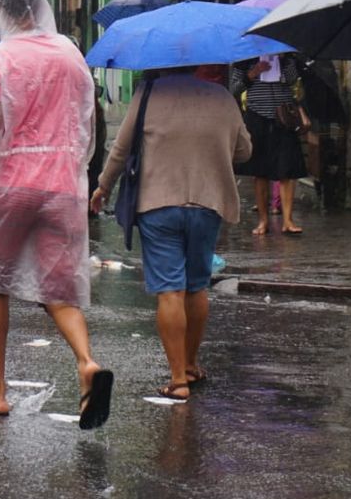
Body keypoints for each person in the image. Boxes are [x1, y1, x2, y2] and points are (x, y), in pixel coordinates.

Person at [0, 0, 113, 428]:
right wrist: (74, 176)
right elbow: (86, 125)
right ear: (41, 3)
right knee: (59, 290)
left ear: (0, 8)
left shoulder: (0, 61)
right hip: (62, 185)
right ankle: (86, 363)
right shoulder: (69, 54)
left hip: (12, 185)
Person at [91, 68, 252, 401]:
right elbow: (244, 151)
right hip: (208, 203)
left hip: (158, 204)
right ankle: (191, 365)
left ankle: (178, 379)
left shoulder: (148, 95)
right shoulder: (222, 98)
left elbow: (121, 149)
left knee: (170, 291)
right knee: (196, 286)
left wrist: (103, 186)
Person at [230, 54, 308, 235]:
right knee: (260, 171)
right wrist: (253, 73)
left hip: (284, 117)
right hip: (257, 116)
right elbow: (234, 88)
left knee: (287, 170)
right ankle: (263, 221)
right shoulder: (244, 59)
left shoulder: (287, 58)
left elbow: (292, 80)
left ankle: (288, 220)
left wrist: (283, 61)